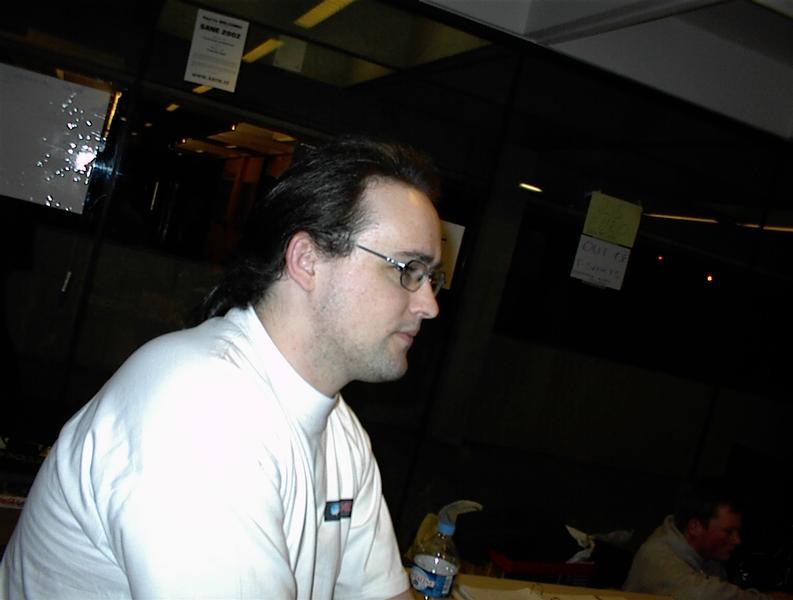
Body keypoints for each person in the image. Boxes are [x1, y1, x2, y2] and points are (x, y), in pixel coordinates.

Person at [0, 136, 446, 599]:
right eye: (407, 268)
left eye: (430, 277)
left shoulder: (340, 432)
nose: (429, 304)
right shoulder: (197, 405)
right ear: (307, 261)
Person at [624, 484, 793, 600]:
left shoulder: (706, 556)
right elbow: (701, 594)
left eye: (737, 531)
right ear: (695, 526)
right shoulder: (658, 557)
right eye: (728, 532)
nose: (737, 540)